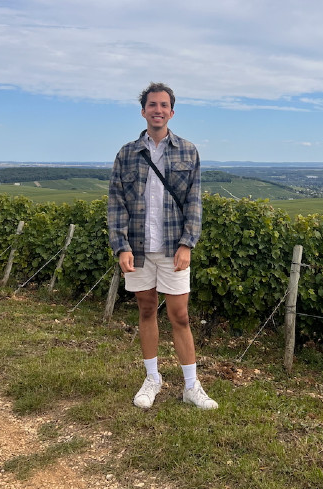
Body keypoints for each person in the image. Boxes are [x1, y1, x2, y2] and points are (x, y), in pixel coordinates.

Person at [108, 82, 217, 410]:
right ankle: (153, 378)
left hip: (173, 248)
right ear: (143, 111)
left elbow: (194, 202)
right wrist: (120, 246)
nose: (157, 110)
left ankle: (190, 386)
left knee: (180, 315)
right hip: (138, 249)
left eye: (163, 105)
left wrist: (187, 244)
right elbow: (116, 203)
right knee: (145, 309)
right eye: (152, 105)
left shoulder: (188, 151)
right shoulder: (126, 154)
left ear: (171, 111)